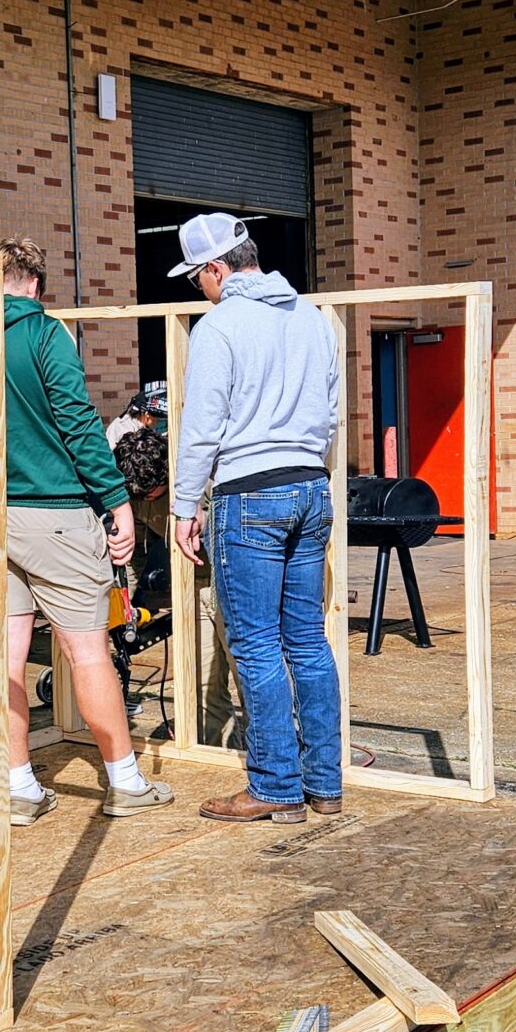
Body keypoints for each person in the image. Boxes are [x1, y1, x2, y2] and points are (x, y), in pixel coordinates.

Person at [0, 235, 172, 825]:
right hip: (53, 514)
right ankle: (126, 783)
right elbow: (79, 426)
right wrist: (116, 500)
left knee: (3, 659)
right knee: (86, 650)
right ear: (33, 284)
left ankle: (19, 788)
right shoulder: (45, 335)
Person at [167, 212, 342, 824]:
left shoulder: (220, 327)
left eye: (197, 277)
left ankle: (274, 786)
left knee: (258, 643)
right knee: (307, 640)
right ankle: (323, 784)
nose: (199, 289)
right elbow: (330, 413)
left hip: (249, 494)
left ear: (217, 269)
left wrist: (183, 507)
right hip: (310, 486)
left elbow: (200, 429)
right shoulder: (312, 319)